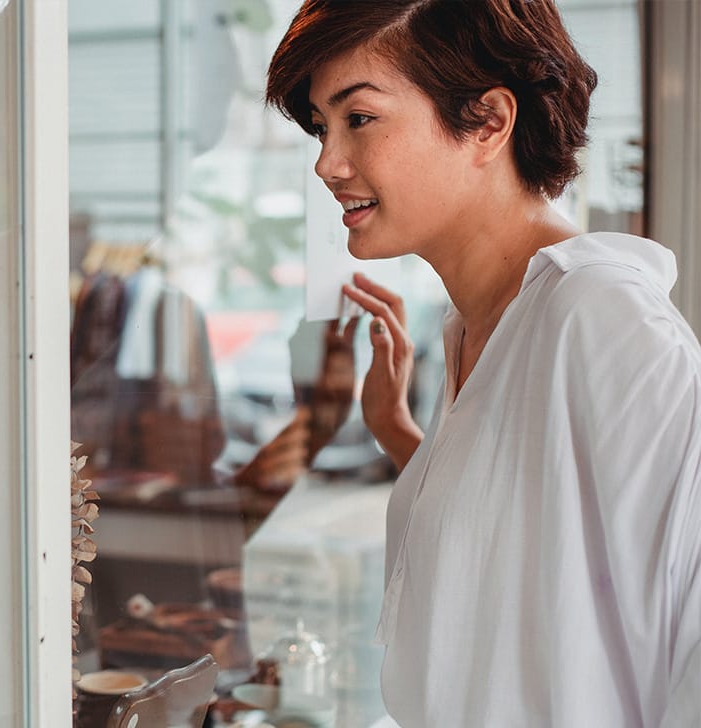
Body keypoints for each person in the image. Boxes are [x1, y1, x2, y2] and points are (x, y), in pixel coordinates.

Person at [265, 0, 701, 726]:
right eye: (320, 125)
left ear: (490, 122)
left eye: (359, 118)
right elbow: (528, 545)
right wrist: (404, 438)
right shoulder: (472, 324)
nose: (326, 162)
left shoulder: (600, 317)